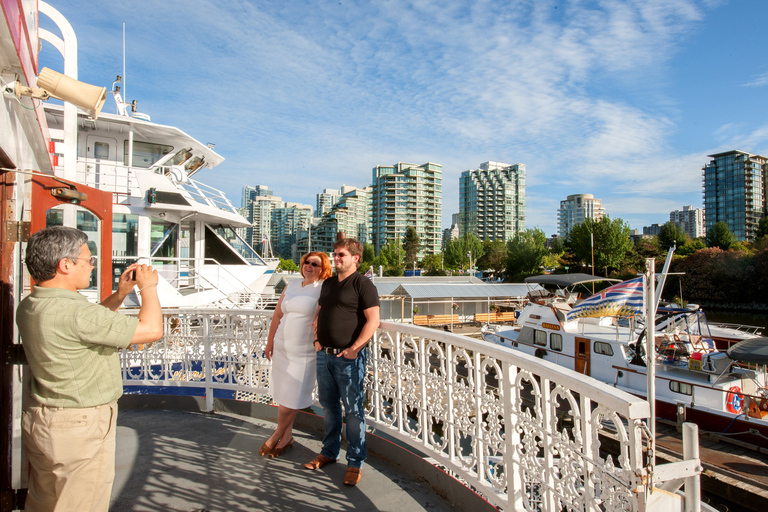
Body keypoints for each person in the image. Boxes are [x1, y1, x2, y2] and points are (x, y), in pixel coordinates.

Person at [16, 226, 164, 512]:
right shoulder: (76, 313)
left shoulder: (31, 304)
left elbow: (88, 326)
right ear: (65, 265)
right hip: (80, 428)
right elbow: (152, 330)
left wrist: (120, 294)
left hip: (44, 421)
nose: (92, 265)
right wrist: (148, 287)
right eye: (88, 259)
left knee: (43, 502)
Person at [304, 238, 380, 486]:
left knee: (354, 412)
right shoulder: (327, 284)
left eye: (341, 255)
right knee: (329, 406)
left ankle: (355, 461)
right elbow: (318, 314)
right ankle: (329, 452)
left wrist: (354, 349)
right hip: (323, 355)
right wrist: (317, 341)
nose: (336, 259)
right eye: (335, 255)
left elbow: (373, 321)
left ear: (355, 258)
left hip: (349, 359)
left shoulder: (363, 285)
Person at [261, 251, 332, 457]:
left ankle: (277, 435)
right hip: (282, 347)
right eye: (306, 262)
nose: (309, 266)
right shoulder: (292, 284)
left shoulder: (323, 288)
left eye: (315, 264)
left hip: (304, 351)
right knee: (284, 395)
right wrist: (270, 342)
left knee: (292, 395)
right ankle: (287, 437)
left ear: (323, 269)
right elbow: (277, 314)